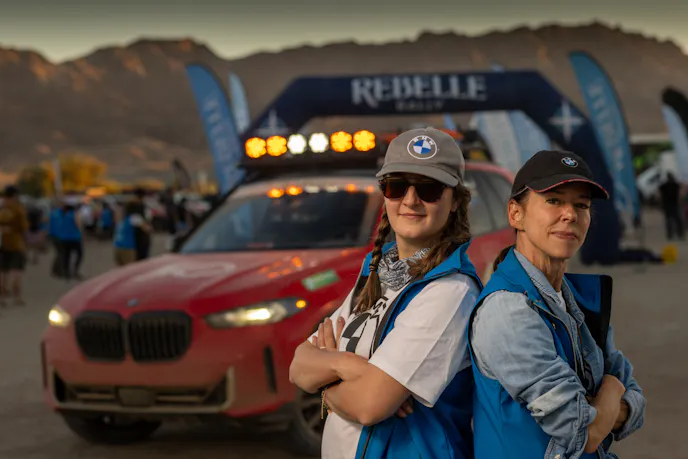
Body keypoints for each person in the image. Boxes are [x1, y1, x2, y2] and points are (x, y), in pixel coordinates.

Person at [289, 128, 482, 459]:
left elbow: (369, 405)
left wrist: (326, 383)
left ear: (455, 202)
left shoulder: (449, 291)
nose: (410, 200)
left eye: (429, 189)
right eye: (396, 186)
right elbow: (298, 365)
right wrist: (349, 367)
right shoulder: (379, 271)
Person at [469, 150, 646, 459]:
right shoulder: (507, 311)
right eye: (553, 200)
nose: (570, 215)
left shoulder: (578, 300)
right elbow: (583, 431)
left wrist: (601, 407)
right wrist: (612, 389)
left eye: (581, 205)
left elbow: (638, 407)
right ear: (516, 214)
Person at [0, 186, 29, 306]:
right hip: (16, 243)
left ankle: (2, 298)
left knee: (3, 272)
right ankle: (17, 298)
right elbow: (24, 227)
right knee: (16, 272)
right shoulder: (18, 209)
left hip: (2, 243)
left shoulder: (2, 208)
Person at [59, 198, 84, 281]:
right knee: (79, 255)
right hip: (75, 238)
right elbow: (78, 225)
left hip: (64, 238)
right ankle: (75, 271)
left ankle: (66, 272)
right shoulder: (75, 214)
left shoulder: (63, 214)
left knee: (67, 255)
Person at [658, 172, 685, 240]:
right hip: (674, 204)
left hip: (667, 205)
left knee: (668, 220)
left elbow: (659, 192)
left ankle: (670, 234)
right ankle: (680, 234)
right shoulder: (675, 185)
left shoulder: (664, 185)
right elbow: (681, 189)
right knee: (678, 220)